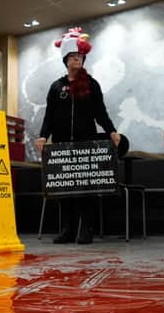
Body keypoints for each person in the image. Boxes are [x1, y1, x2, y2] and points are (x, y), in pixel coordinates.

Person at [35, 27, 121, 244]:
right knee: (64, 190)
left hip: (86, 144)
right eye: (74, 57)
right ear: (66, 60)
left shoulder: (91, 85)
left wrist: (111, 131)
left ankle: (87, 228)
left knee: (86, 190)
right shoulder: (57, 87)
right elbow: (49, 116)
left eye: (80, 57)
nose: (78, 60)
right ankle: (67, 229)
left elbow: (100, 112)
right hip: (62, 145)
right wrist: (43, 136)